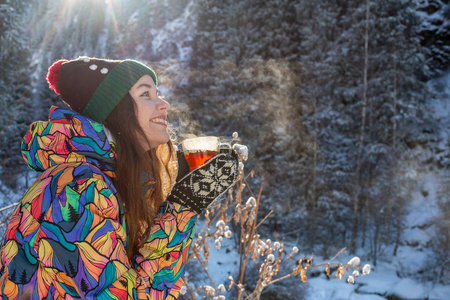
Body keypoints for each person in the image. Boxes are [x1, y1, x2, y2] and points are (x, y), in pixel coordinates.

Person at [0, 57, 239, 299]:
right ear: (114, 110)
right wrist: (183, 208)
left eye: (159, 93)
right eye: (146, 94)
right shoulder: (78, 187)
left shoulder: (106, 180)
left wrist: (178, 187)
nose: (164, 104)